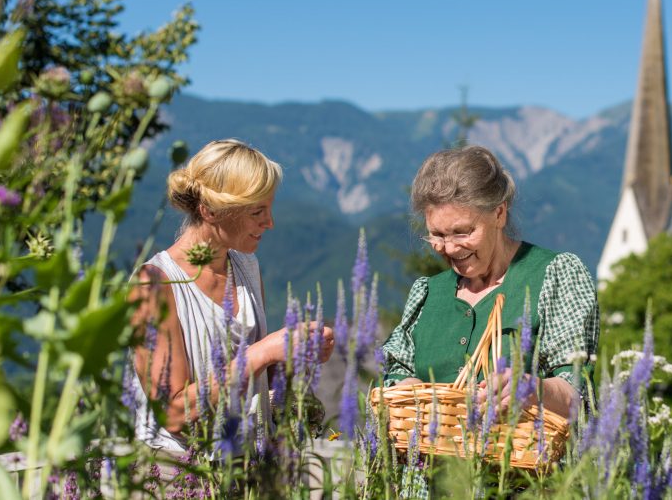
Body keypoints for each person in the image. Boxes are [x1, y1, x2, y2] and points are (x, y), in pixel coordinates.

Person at [129, 139, 334, 452]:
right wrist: (264, 351)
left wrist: (291, 355)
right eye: (257, 211)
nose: (270, 222)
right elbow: (172, 412)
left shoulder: (246, 267)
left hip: (244, 468)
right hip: (176, 476)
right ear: (210, 211)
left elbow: (251, 379)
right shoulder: (153, 284)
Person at [382, 145, 598, 419]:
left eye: (462, 232)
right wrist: (405, 387)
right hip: (426, 461)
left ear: (499, 213)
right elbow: (394, 370)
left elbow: (578, 393)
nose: (448, 248)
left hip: (521, 458)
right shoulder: (426, 293)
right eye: (436, 235)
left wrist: (532, 389)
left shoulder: (556, 275)